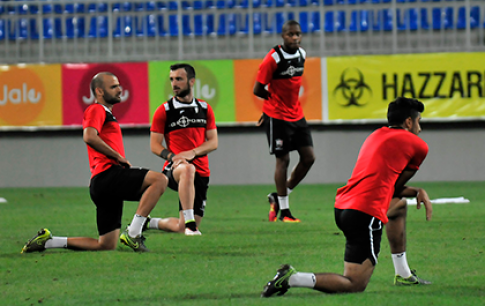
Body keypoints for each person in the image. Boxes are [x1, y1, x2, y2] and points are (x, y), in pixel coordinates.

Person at [261, 97, 433, 297]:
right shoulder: (419, 145)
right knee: (355, 283)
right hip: (364, 213)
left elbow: (388, 188)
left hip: (344, 207)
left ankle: (403, 273)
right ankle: (292, 278)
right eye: (418, 121)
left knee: (399, 207)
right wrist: (418, 191)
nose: (420, 128)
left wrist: (415, 192)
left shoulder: (375, 135)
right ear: (409, 122)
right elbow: (395, 186)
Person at [21, 72, 167, 253]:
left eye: (119, 85)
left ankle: (49, 242)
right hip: (108, 175)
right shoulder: (96, 109)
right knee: (159, 180)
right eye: (113, 86)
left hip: (102, 184)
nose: (120, 89)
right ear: (99, 91)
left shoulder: (106, 113)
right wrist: (117, 156)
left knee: (106, 244)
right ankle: (134, 233)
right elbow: (89, 136)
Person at [253, 20, 315, 223]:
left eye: (298, 34)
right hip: (277, 117)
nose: (295, 37)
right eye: (290, 34)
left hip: (297, 114)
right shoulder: (273, 59)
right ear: (283, 36)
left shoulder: (301, 55)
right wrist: (270, 109)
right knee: (283, 160)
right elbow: (258, 89)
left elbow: (292, 86)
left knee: (309, 158)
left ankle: (279, 196)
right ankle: (285, 213)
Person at [149, 63, 218, 236]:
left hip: (202, 172)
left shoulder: (204, 109)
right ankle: (191, 225)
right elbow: (155, 145)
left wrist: (192, 152)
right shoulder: (164, 111)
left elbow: (213, 142)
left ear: (192, 81)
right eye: (172, 79)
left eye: (179, 79)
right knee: (188, 168)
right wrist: (174, 157)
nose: (174, 84)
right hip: (175, 169)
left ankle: (150, 222)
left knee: (180, 228)